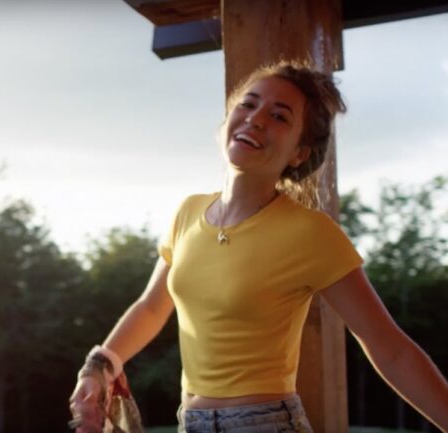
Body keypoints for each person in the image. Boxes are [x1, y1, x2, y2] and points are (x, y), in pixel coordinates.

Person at [68, 61, 448, 433]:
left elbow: (391, 350)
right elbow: (151, 307)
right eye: (248, 104)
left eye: (279, 116)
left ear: (299, 152)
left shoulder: (311, 233)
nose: (256, 118)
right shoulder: (188, 212)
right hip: (191, 422)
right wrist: (100, 364)